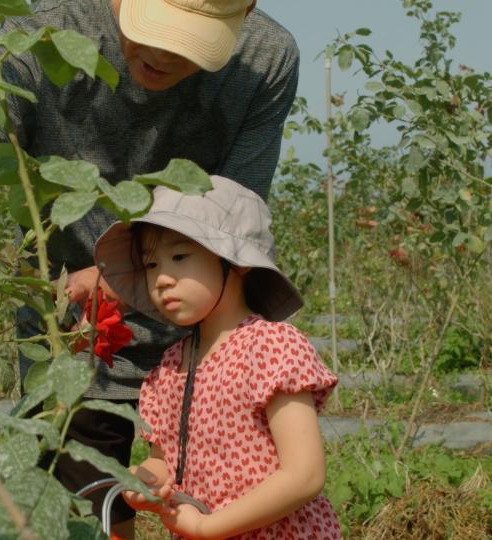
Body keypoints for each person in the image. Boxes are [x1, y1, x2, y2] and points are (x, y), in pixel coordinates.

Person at [0, 0, 299, 535]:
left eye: (188, 39)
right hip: (78, 339)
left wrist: (126, 271)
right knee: (89, 517)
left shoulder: (263, 58)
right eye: (151, 28)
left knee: (239, 514)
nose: (159, 52)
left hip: (209, 347)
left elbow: (236, 211)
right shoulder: (41, 36)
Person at [93, 175, 341, 539]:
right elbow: (164, 463)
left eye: (179, 257)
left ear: (235, 263)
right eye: (150, 265)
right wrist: (142, 483)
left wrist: (210, 526)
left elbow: (304, 475)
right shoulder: (170, 369)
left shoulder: (270, 347)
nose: (162, 279)